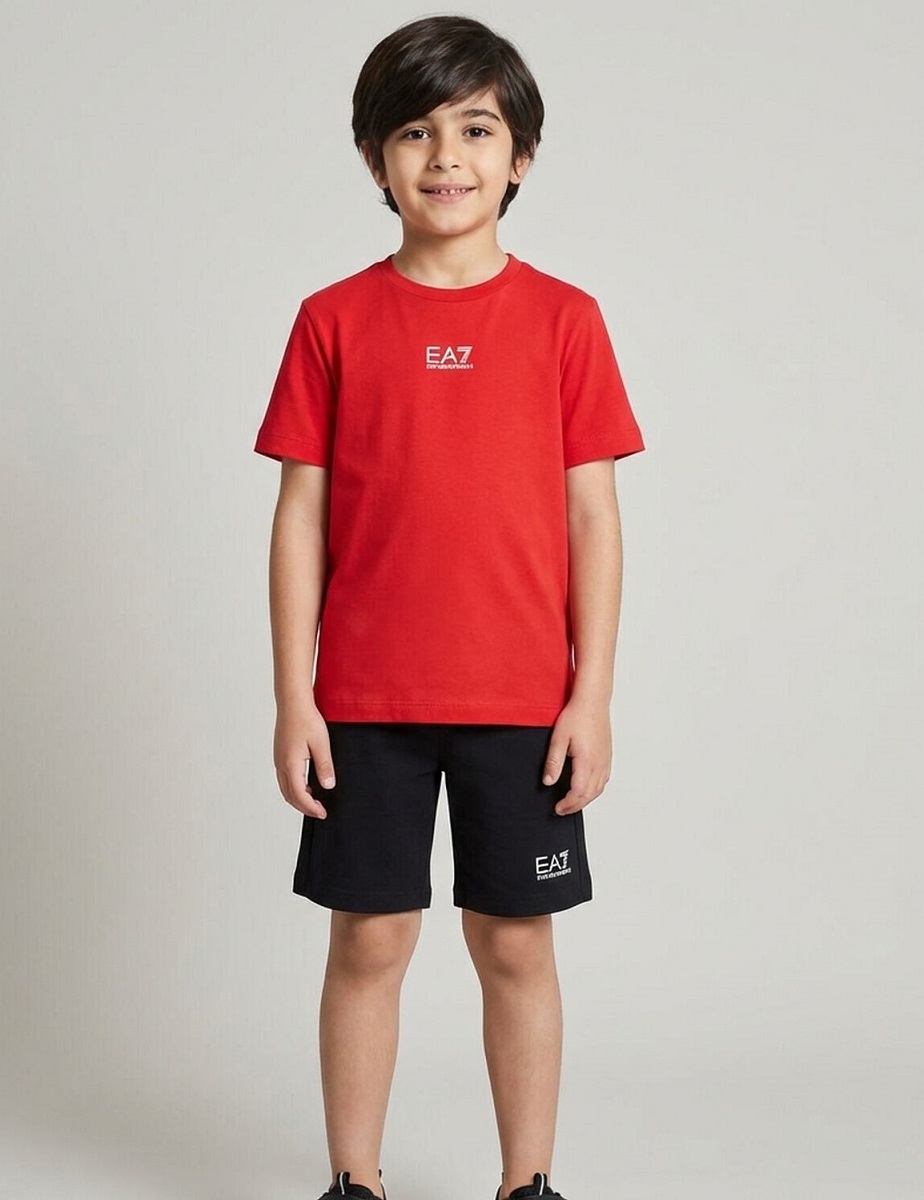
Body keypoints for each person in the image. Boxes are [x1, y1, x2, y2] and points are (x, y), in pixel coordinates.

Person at [253, 15, 645, 1200]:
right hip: (365, 700)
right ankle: (353, 1182)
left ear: (520, 156)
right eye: (415, 132)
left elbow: (594, 521)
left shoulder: (566, 320)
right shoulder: (332, 319)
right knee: (369, 939)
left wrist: (591, 697)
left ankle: (528, 1183)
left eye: (476, 130)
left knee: (515, 942)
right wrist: (293, 698)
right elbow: (300, 519)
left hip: (521, 700)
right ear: (375, 158)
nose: (446, 157)